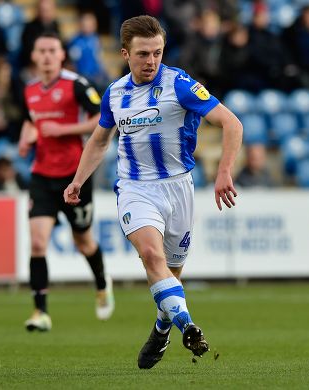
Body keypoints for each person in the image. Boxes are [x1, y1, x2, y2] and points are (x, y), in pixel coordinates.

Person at [63, 16, 242, 368]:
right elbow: (100, 141)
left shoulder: (181, 85)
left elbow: (231, 122)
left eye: (157, 53)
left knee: (171, 275)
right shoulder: (114, 93)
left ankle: (163, 328)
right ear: (126, 53)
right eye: (143, 54)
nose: (151, 61)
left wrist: (224, 170)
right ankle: (189, 327)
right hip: (135, 188)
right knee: (151, 257)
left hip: (179, 188)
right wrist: (78, 180)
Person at [18, 32, 114, 332]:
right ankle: (40, 312)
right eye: (41, 50)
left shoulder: (77, 84)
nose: (46, 56)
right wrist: (26, 136)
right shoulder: (29, 90)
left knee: (83, 241)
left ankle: (102, 283)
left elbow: (103, 119)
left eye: (52, 50)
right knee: (37, 243)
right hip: (42, 176)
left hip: (76, 176)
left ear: (62, 55)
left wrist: (63, 130)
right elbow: (31, 120)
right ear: (34, 56)